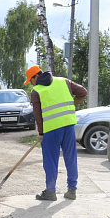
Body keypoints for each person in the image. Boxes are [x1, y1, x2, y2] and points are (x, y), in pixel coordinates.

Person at [25, 64, 87, 201]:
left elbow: (38, 116)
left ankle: (50, 192)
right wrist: (73, 102)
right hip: (69, 125)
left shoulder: (37, 91)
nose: (31, 83)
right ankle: (72, 190)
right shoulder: (63, 81)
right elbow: (83, 92)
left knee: (50, 161)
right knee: (70, 158)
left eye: (31, 80)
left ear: (36, 76)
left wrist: (41, 133)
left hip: (51, 129)